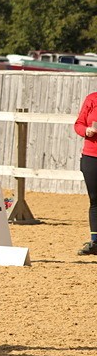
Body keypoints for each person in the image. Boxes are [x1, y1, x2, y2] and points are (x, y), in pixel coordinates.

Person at [75, 91, 97, 254]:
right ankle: (95, 242)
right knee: (95, 200)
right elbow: (79, 124)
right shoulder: (92, 99)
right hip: (91, 156)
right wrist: (86, 130)